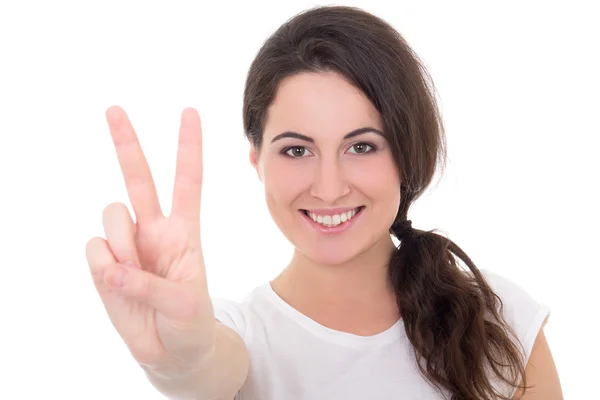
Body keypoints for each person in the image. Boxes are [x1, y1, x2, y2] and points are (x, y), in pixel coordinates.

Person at [85, 5, 562, 400]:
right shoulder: (240, 336)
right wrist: (183, 359)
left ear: (405, 152)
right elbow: (206, 365)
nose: (329, 188)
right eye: (297, 150)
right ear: (257, 160)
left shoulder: (497, 318)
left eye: (361, 146)